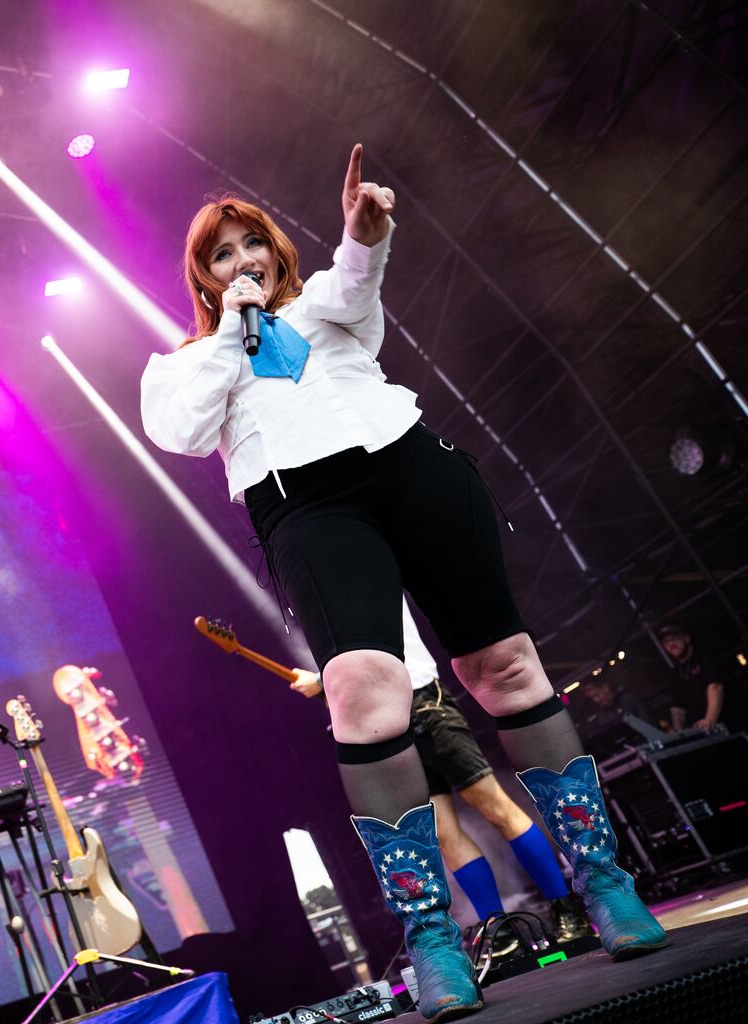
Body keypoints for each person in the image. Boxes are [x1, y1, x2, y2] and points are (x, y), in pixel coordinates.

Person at [141, 144, 666, 1022]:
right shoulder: (185, 363)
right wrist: (231, 334)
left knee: (504, 667)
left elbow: (353, 287)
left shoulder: (321, 305)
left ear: (276, 248)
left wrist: (362, 234)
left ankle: (605, 885)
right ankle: (433, 937)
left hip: (411, 468)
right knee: (363, 696)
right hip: (305, 506)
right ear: (204, 278)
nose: (243, 263)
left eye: (252, 244)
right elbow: (185, 434)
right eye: (222, 255)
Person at [289, 602, 591, 944]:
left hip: (422, 699)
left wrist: (321, 680)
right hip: (384, 719)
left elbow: (372, 637)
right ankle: (500, 929)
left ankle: (567, 908)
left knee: (494, 805)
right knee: (444, 835)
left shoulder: (351, 562)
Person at [659, 624, 726, 731]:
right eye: (666, 642)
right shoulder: (675, 673)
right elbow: (678, 708)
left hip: (729, 722)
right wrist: (679, 736)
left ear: (686, 638)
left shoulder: (704, 655)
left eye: (674, 638)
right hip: (706, 731)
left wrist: (709, 720)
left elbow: (715, 686)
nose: (671, 644)